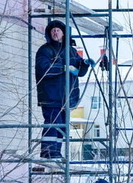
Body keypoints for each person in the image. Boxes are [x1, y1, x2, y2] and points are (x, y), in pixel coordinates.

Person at [35, 20, 92, 159]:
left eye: (58, 30)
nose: (55, 32)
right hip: (51, 96)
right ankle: (48, 152)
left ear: (63, 33)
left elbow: (79, 71)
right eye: (53, 30)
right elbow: (44, 69)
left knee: (62, 127)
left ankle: (56, 152)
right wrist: (63, 68)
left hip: (66, 97)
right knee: (52, 124)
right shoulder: (45, 50)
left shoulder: (70, 51)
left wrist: (85, 64)